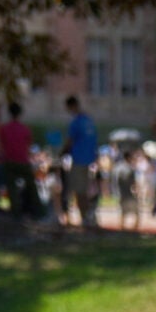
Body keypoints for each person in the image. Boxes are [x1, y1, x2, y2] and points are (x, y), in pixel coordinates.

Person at [63, 94, 98, 228]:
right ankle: (89, 216)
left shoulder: (76, 122)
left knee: (79, 191)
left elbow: (70, 141)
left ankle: (85, 218)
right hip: (90, 160)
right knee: (85, 190)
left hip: (79, 159)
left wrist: (62, 152)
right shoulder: (88, 120)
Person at [0, 102, 41, 218]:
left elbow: (2, 144)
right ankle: (38, 211)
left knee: (12, 188)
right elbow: (29, 145)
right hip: (23, 161)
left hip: (9, 161)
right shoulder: (25, 129)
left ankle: (16, 212)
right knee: (31, 187)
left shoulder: (5, 129)